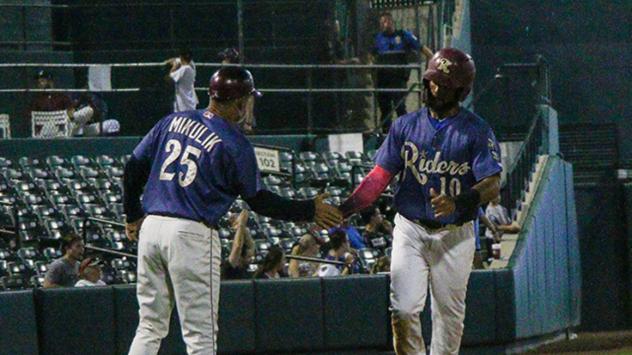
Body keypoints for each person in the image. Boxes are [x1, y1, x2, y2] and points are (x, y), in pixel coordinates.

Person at [123, 66, 342, 355]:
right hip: (190, 233)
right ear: (239, 102)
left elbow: (132, 168)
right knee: (200, 339)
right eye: (249, 99)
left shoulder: (173, 120)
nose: (251, 104)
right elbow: (260, 200)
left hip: (152, 227)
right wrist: (308, 209)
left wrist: (132, 214)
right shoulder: (235, 144)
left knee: (150, 326)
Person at [339, 48, 502, 354]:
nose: (434, 87)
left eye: (443, 83)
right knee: (402, 309)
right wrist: (346, 208)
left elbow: (493, 183)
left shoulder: (477, 130)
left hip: (454, 233)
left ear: (462, 90)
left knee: (448, 317)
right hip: (410, 228)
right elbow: (378, 177)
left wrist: (459, 202)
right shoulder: (405, 126)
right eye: (431, 81)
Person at [370, 12, 434, 132]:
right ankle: (386, 135)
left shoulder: (403, 35)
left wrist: (434, 59)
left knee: (400, 107)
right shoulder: (377, 38)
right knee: (385, 110)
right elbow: (370, 56)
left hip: (398, 78)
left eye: (387, 21)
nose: (385, 24)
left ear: (392, 22)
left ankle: (407, 132)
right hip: (382, 79)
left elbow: (422, 48)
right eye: (382, 22)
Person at [26, 70, 73, 136]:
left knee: (86, 112)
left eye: (42, 81)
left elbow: (71, 112)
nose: (39, 84)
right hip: (44, 131)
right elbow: (30, 117)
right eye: (38, 82)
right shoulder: (36, 99)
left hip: (61, 130)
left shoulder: (61, 96)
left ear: (50, 82)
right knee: (50, 125)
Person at [221, 210, 255, 280]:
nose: (251, 259)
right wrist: (241, 224)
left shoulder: (244, 267)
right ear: (241, 257)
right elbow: (237, 246)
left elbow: (252, 245)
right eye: (248, 257)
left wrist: (242, 227)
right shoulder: (230, 265)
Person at [166, 48, 198, 113]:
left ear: (181, 57)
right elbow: (176, 60)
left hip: (183, 104)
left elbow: (169, 78)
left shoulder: (184, 69)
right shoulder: (192, 65)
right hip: (190, 101)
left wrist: (173, 68)